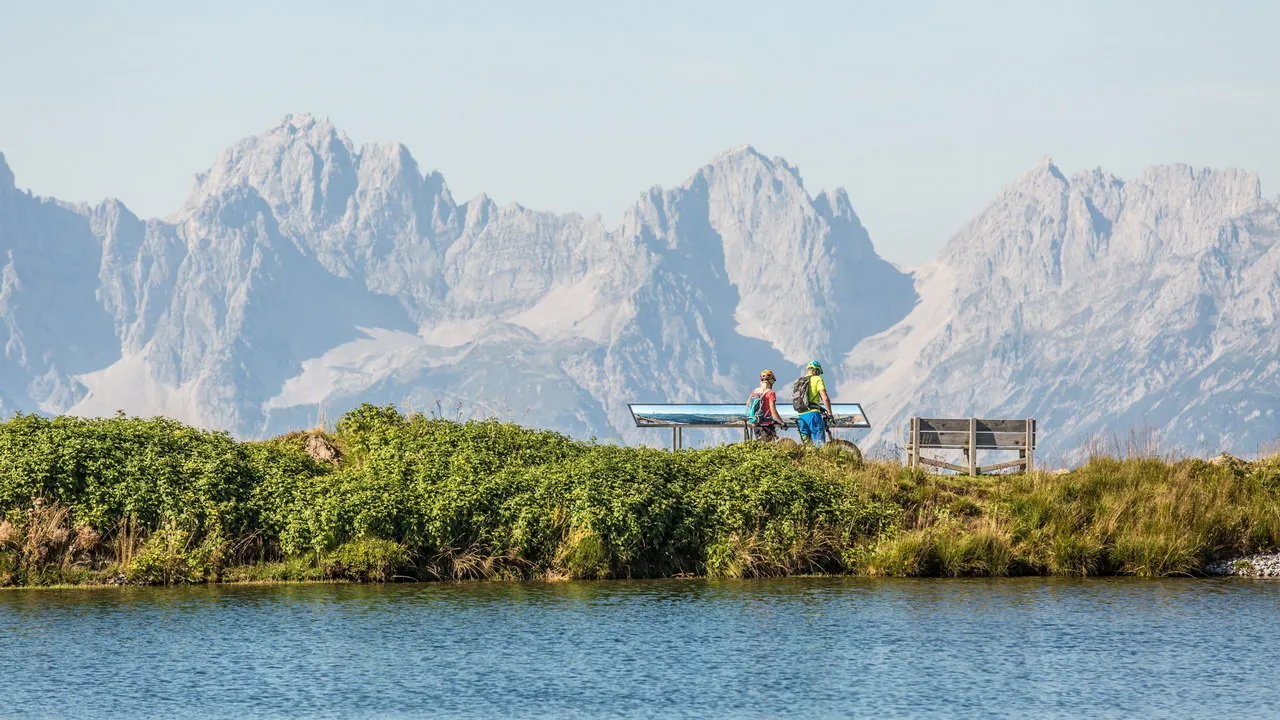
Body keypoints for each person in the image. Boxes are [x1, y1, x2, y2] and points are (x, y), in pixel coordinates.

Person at [793, 360, 833, 446]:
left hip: (801, 414)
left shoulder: (799, 381)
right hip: (813, 414)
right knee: (819, 440)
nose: (818, 374)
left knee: (807, 443)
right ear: (816, 370)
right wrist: (829, 413)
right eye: (818, 372)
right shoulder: (817, 378)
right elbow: (825, 397)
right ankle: (819, 458)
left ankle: (808, 457)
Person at [746, 369, 786, 441]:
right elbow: (773, 410)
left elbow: (748, 404)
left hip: (756, 424)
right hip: (767, 425)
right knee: (768, 447)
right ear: (770, 381)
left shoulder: (755, 391)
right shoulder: (770, 393)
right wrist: (781, 422)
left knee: (760, 447)